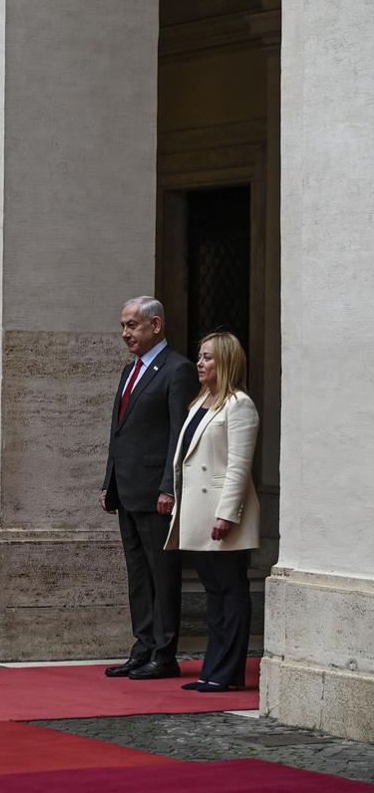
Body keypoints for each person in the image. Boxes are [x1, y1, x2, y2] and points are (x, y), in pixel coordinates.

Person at [100, 296, 198, 680]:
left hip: (158, 493)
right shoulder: (129, 371)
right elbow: (119, 431)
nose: (125, 333)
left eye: (132, 326)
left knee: (162, 573)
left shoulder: (178, 370)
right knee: (138, 575)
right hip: (127, 490)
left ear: (155, 325)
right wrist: (109, 481)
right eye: (123, 326)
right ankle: (142, 648)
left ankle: (164, 653)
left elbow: (179, 433)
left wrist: (170, 487)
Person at [166, 332, 260, 692]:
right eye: (199, 357)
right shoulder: (200, 402)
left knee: (230, 590)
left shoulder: (239, 404)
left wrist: (228, 514)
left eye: (207, 358)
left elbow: (238, 465)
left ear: (226, 362)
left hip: (222, 513)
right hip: (197, 509)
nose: (200, 363)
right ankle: (212, 669)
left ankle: (228, 673)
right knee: (213, 592)